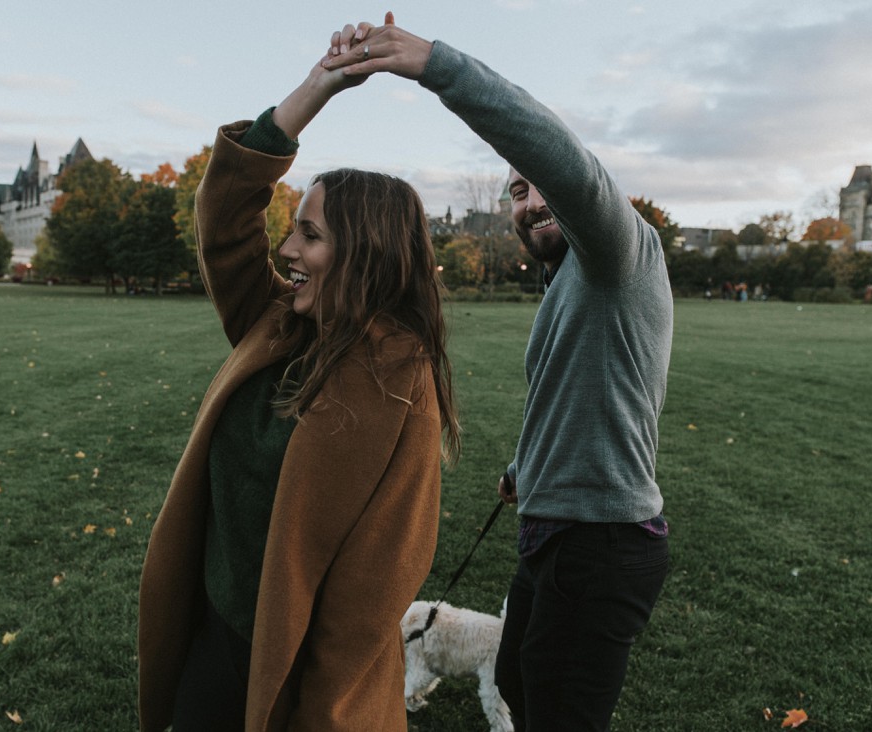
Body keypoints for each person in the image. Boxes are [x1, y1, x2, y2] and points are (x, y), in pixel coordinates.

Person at [326, 15, 672, 731]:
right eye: (516, 192)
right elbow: (575, 394)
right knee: (517, 676)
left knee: (557, 713)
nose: (530, 201)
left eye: (542, 185)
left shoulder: (617, 252)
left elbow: (554, 153)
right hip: (553, 527)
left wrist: (433, 65)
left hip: (599, 542)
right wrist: (527, 466)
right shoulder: (569, 280)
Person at [137, 42, 460, 732]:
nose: (286, 252)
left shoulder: (400, 381)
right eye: (291, 232)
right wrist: (317, 87)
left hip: (293, 675)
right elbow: (224, 213)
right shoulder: (274, 320)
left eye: (308, 235)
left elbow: (372, 593)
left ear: (365, 252)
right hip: (214, 636)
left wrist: (318, 711)